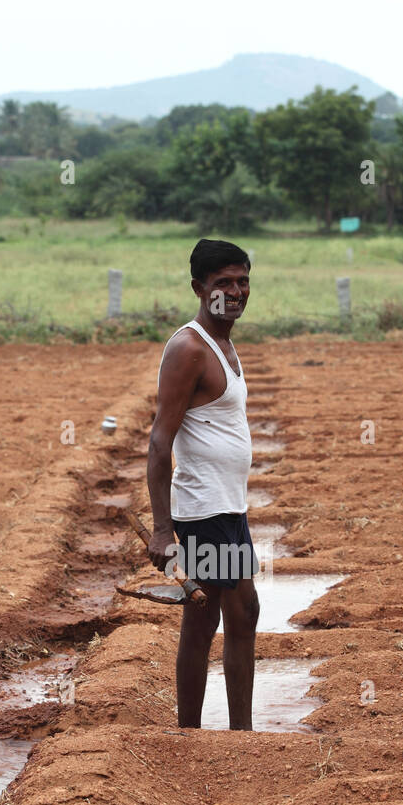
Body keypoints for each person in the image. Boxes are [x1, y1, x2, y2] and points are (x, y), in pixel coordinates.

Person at [147, 238, 259, 729]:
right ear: (199, 288)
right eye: (222, 284)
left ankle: (238, 732)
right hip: (203, 513)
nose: (234, 292)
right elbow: (158, 442)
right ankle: (192, 733)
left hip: (230, 510)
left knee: (237, 617)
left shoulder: (225, 343)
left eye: (242, 281)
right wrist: (161, 529)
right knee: (208, 620)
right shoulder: (189, 348)